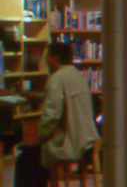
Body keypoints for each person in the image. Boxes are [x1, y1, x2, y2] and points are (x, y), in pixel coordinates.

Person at [39, 41, 98, 169]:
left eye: (47, 57)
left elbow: (52, 115)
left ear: (56, 58)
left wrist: (40, 135)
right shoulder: (78, 75)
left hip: (70, 144)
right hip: (88, 141)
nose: (46, 61)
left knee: (28, 154)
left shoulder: (57, 78)